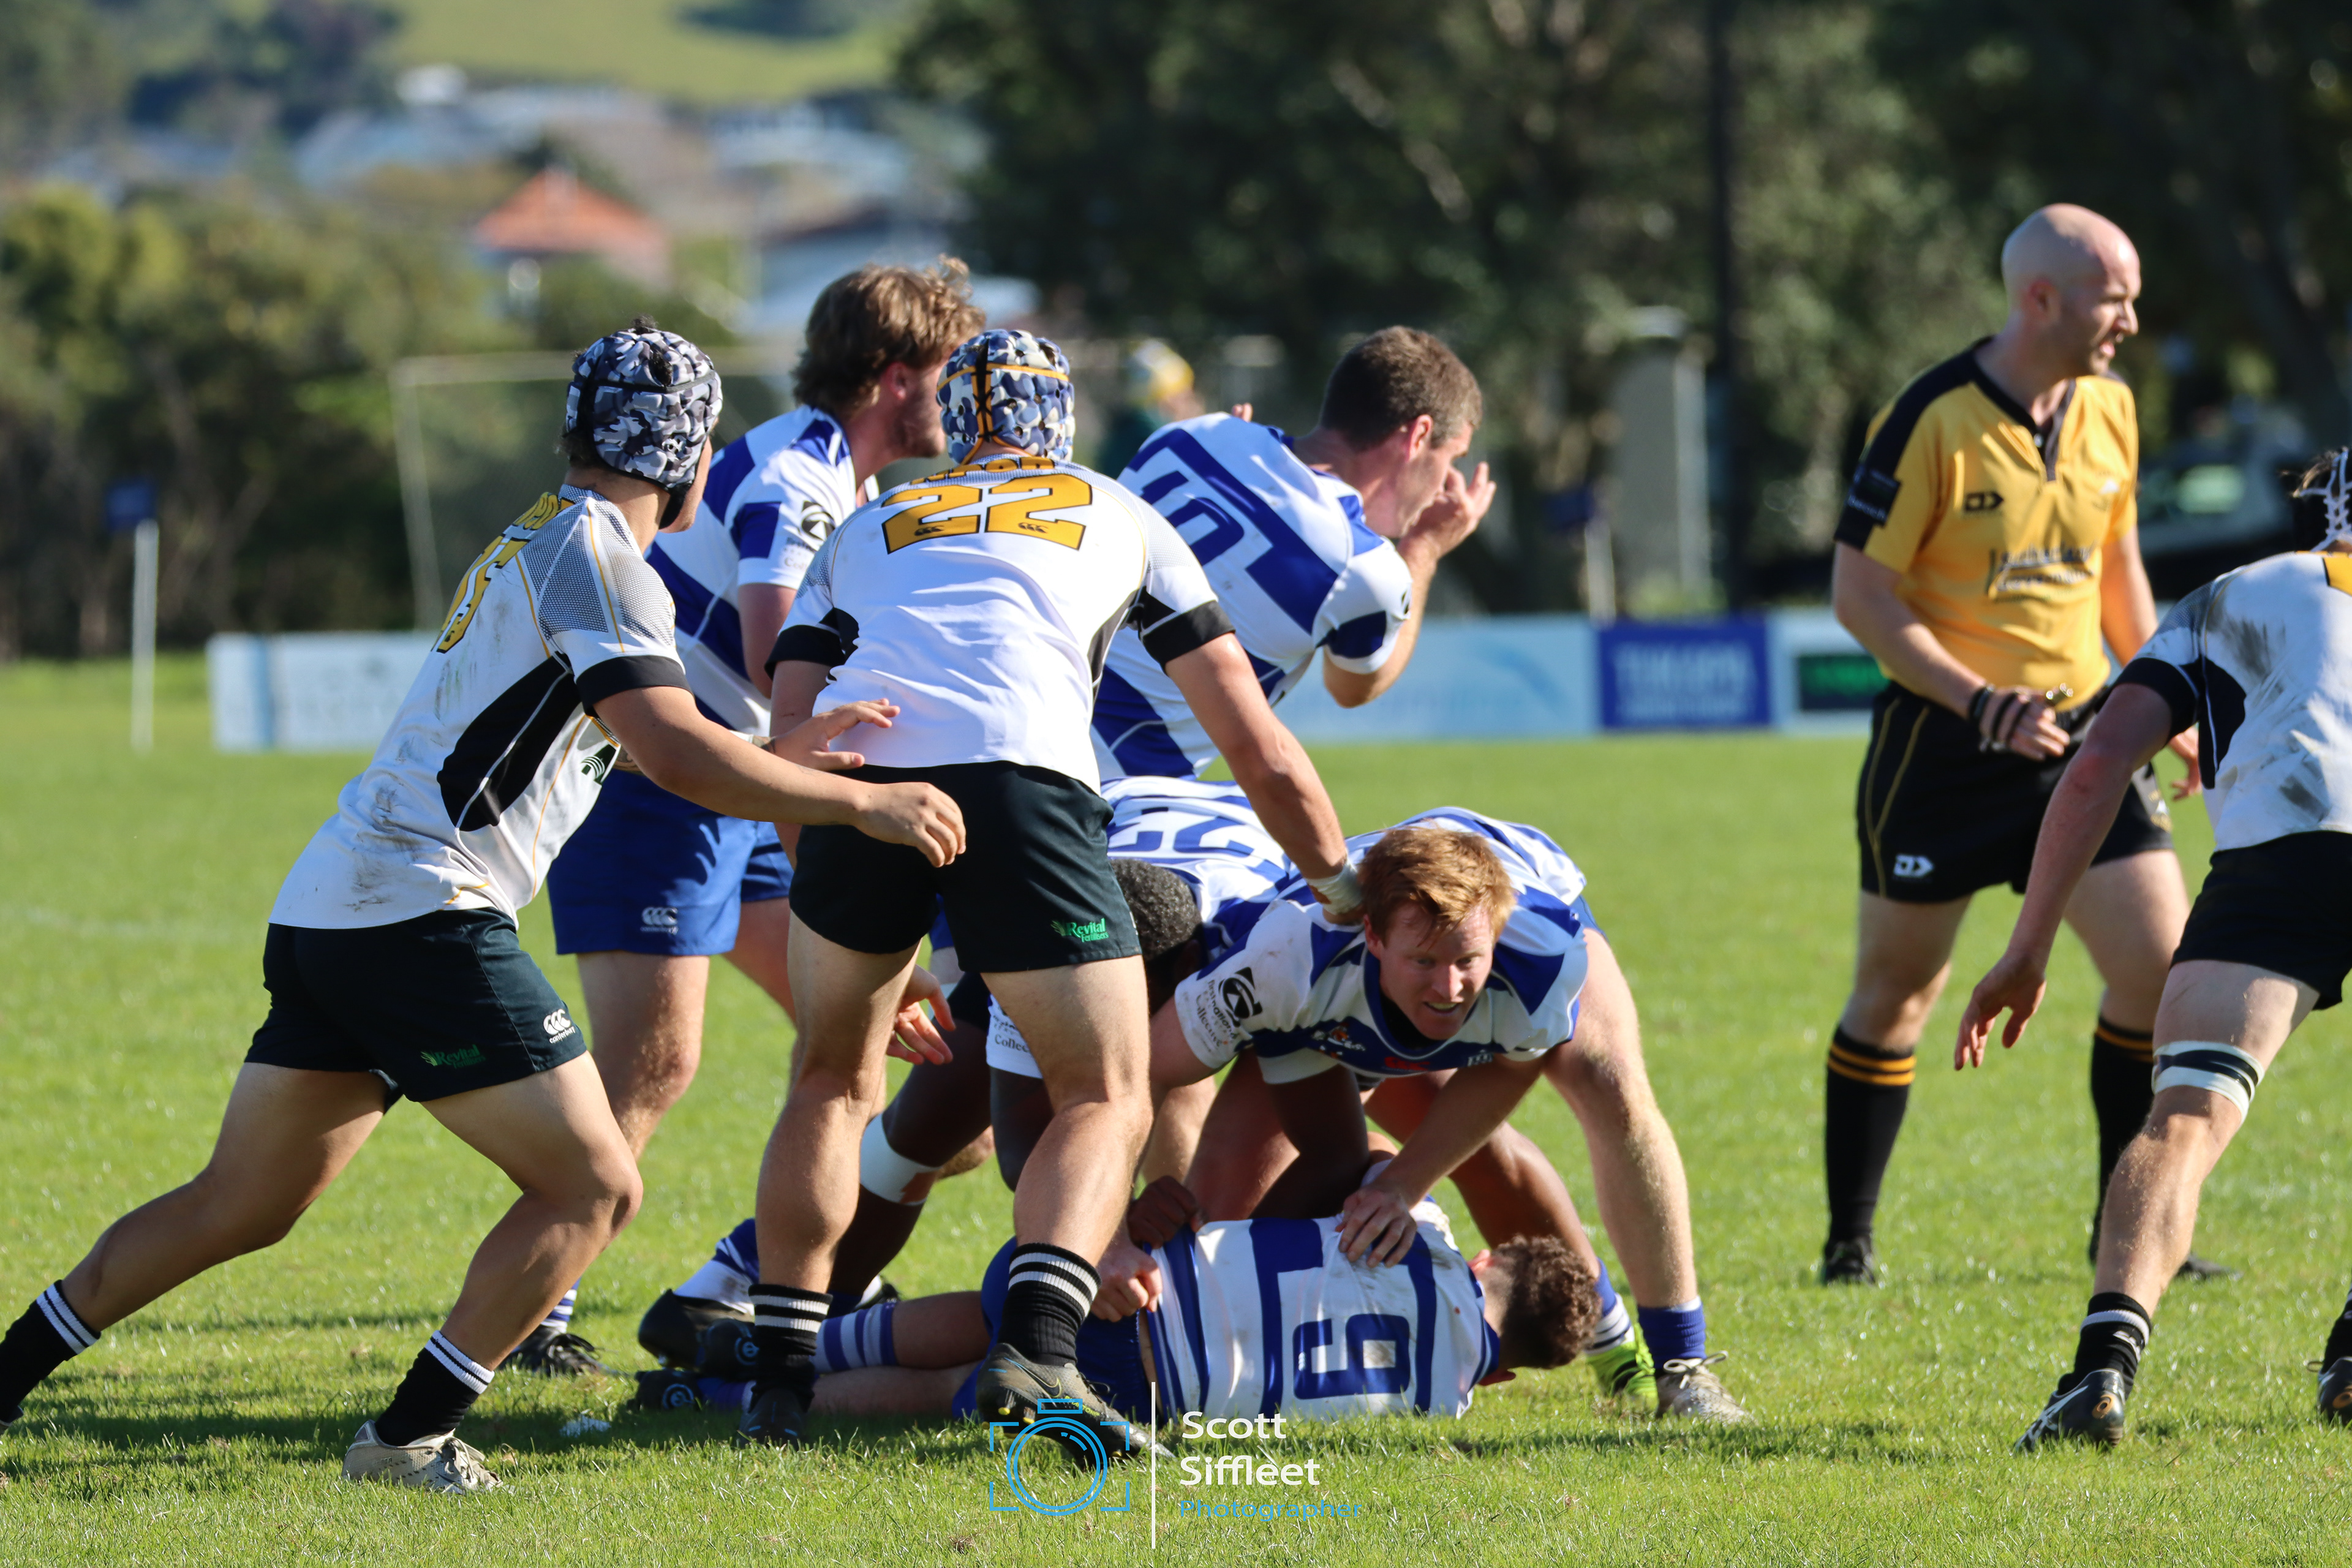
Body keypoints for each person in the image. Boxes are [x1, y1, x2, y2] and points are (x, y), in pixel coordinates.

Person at [0, 325, 962, 1492]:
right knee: (595, 1186)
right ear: (695, 465)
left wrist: (784, 759)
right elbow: (670, 752)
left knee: (236, 1204)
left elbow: (642, 740)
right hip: (423, 914)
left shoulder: (543, 534)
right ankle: (408, 1437)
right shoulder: (606, 559)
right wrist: (862, 804)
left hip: (336, 907)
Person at [739, 328, 1357, 1456]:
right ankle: (1038, 1352)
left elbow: (791, 742)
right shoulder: (1121, 511)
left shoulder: (872, 521)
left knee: (830, 1078)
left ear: (957, 424)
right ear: (1060, 422)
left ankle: (779, 1374)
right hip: (1025, 780)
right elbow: (1258, 747)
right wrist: (1337, 881)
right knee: (1105, 1093)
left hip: (860, 787)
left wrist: (851, 897)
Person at [799, 326, 1496, 1308]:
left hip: (966, 754)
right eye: (1449, 462)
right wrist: (1421, 549)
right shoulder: (1364, 565)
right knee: (1048, 1085)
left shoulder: (1193, 437)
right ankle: (1087, 1309)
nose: (1442, 487)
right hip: (1097, 802)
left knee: (963, 1081)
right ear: (1419, 436)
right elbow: (1356, 682)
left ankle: (788, 1296)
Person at [528, 264, 984, 1374]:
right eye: (947, 372)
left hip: (744, 784)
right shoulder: (799, 478)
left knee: (885, 1064)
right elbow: (781, 668)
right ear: (896, 377)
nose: (958, 396)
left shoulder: (840, 480)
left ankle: (736, 1287)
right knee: (653, 1066)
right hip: (661, 782)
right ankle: (535, 1318)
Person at [1819, 203, 2211, 1287]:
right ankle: (1849, 1244)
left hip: (2088, 738)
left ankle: (2127, 1231)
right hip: (1944, 749)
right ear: (2041, 299)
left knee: (2161, 973)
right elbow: (1860, 594)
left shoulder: (2112, 409)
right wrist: (1979, 700)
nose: (2130, 321)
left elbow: (2117, 568)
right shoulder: (1929, 417)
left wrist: (2169, 696)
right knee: (1900, 988)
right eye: (2114, 299)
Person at [1961, 450, 2352, 1449]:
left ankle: (2101, 1370)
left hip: (2283, 862)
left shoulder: (2233, 595)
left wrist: (2029, 946)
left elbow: (2098, 763)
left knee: (2184, 1118)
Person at [1120, 808, 1744, 1420]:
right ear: (1373, 935)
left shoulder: (1542, 956)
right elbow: (1140, 1074)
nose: (1448, 989)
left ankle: (1658, 1359)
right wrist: (1113, 1223)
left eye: (1466, 961)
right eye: (1425, 962)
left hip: (1464, 937)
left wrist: (1403, 1184)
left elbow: (1514, 1066)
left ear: (1495, 938)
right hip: (1320, 1016)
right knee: (1218, 1237)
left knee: (1588, 1094)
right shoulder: (1285, 960)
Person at [638, 1170, 1598, 1430]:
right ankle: (716, 1401)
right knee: (945, 1391)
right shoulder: (1444, 1403)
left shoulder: (1422, 1228)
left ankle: (776, 1350)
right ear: (1504, 1374)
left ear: (1486, 1261)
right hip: (1147, 1387)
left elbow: (1372, 1165)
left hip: (1123, 1279)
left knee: (981, 1314)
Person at [1093, 337, 1205, 480]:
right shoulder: (1157, 435)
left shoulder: (1125, 430)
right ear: (1168, 399)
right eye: (1184, 397)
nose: (1191, 404)